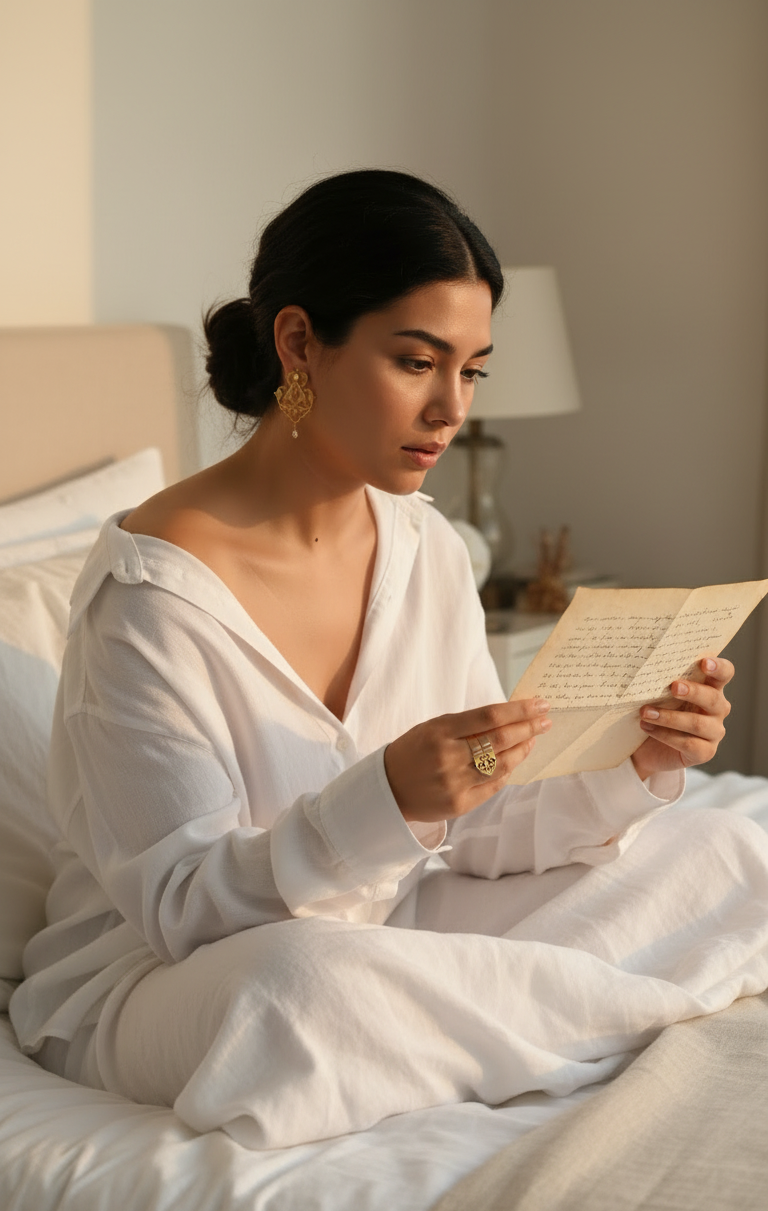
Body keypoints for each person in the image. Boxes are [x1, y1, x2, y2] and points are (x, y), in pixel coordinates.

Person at [11, 170, 768, 1149]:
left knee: (729, 849)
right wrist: (391, 800)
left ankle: (500, 1019)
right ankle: (588, 1016)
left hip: (389, 921)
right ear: (298, 343)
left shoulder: (425, 547)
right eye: (417, 361)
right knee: (304, 993)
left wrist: (638, 762)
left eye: (474, 370)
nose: (451, 407)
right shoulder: (148, 598)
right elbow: (182, 911)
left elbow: (476, 824)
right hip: (175, 974)